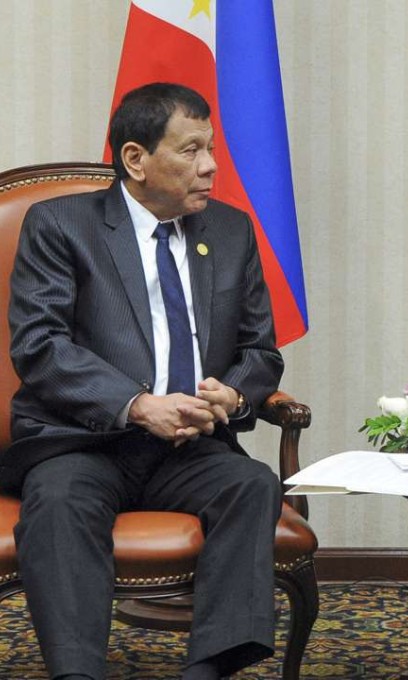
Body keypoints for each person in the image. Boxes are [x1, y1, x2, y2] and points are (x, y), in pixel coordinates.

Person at [3, 82, 285, 679]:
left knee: (253, 484)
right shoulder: (60, 225)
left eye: (211, 148)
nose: (210, 166)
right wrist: (135, 405)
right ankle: (77, 672)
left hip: (189, 450)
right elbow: (40, 346)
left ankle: (208, 668)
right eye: (190, 150)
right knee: (58, 500)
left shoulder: (230, 231)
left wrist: (234, 395)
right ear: (135, 159)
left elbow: (260, 349)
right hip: (82, 442)